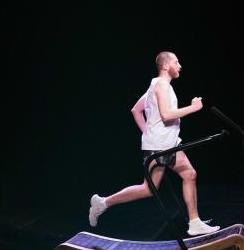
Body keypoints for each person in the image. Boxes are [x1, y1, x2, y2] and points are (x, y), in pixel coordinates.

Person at [89, 51, 220, 236]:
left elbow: (136, 110)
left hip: (166, 143)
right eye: (176, 62)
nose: (180, 65)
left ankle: (194, 222)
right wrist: (193, 108)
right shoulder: (162, 86)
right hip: (161, 146)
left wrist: (148, 134)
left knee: (185, 175)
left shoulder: (155, 85)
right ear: (166, 66)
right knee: (152, 188)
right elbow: (166, 115)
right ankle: (103, 203)